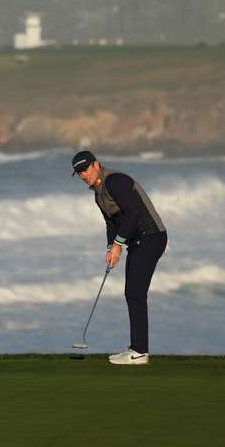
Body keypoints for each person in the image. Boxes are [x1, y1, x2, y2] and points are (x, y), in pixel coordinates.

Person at [72, 150, 167, 365]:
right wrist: (110, 247)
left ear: (96, 165)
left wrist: (118, 244)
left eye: (85, 169)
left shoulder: (115, 181)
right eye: (78, 173)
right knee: (133, 292)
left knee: (134, 292)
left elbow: (132, 214)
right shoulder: (98, 194)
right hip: (137, 241)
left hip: (151, 236)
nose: (82, 175)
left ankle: (140, 351)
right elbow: (112, 223)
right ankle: (137, 348)